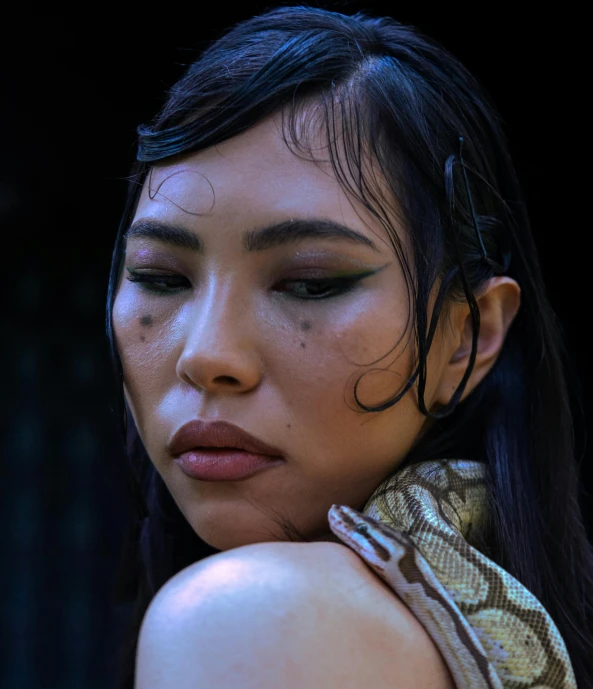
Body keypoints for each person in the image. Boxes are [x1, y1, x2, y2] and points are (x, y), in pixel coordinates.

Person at [106, 6, 593, 688]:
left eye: (309, 283)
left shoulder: (239, 618)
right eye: (159, 278)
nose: (207, 354)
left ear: (467, 335)